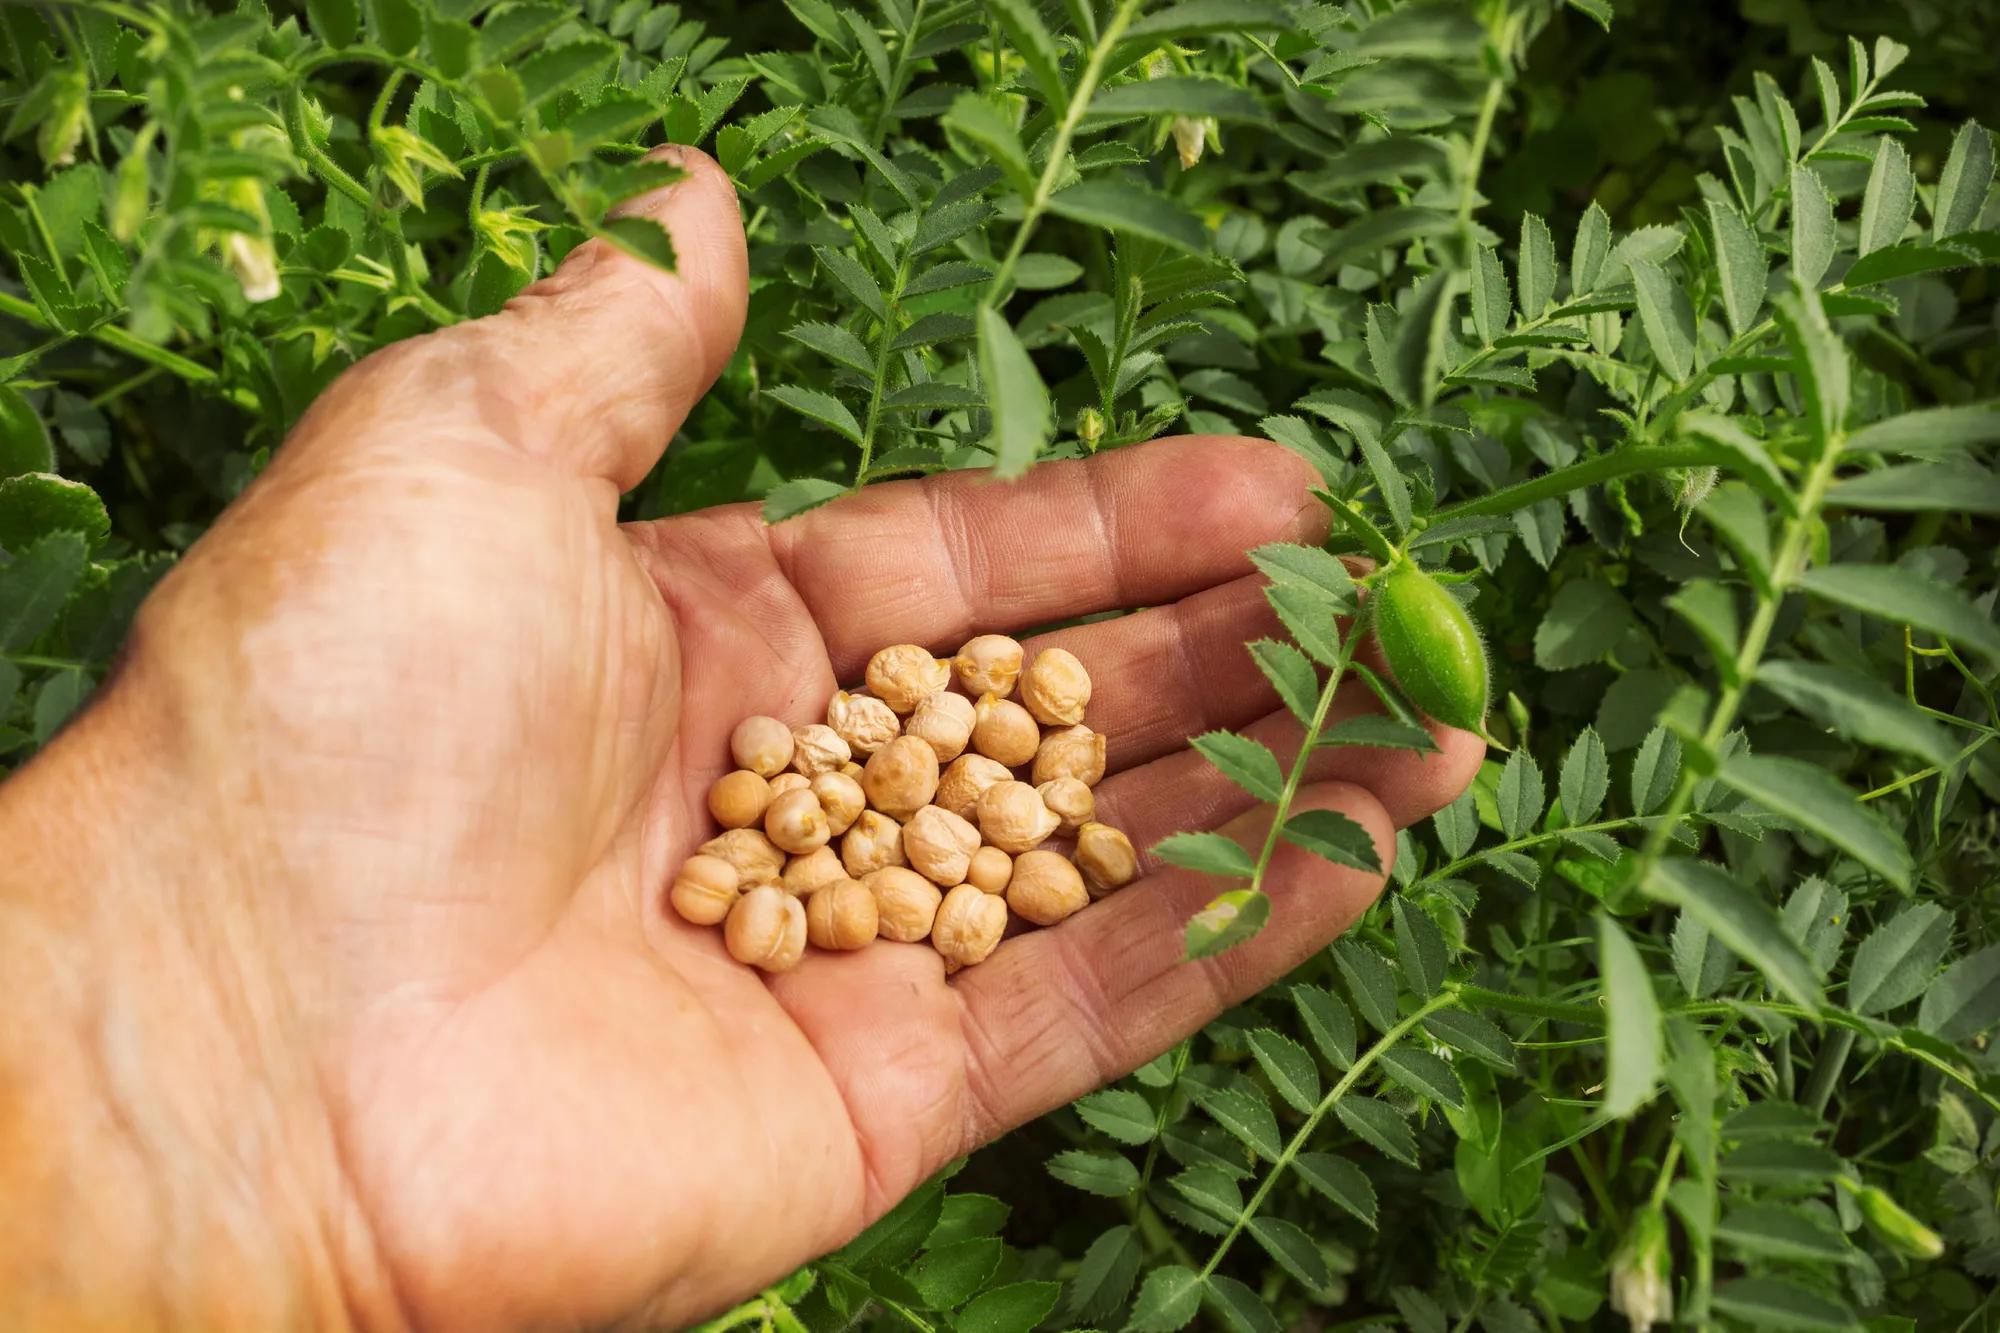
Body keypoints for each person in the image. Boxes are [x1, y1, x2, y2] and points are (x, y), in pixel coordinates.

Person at [0, 147, 1482, 1331]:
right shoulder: (858, 799)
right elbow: (911, 800)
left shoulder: (929, 790)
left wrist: (195, 1052)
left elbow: (943, 798)